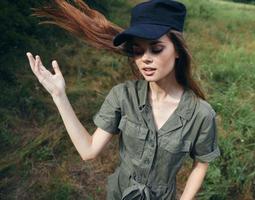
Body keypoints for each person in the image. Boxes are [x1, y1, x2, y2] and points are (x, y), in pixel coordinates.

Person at [26, 0, 220, 199]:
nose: (145, 58)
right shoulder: (123, 96)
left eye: (156, 49)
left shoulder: (201, 114)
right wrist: (59, 95)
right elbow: (89, 151)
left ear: (177, 50)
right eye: (138, 50)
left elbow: (201, 163)